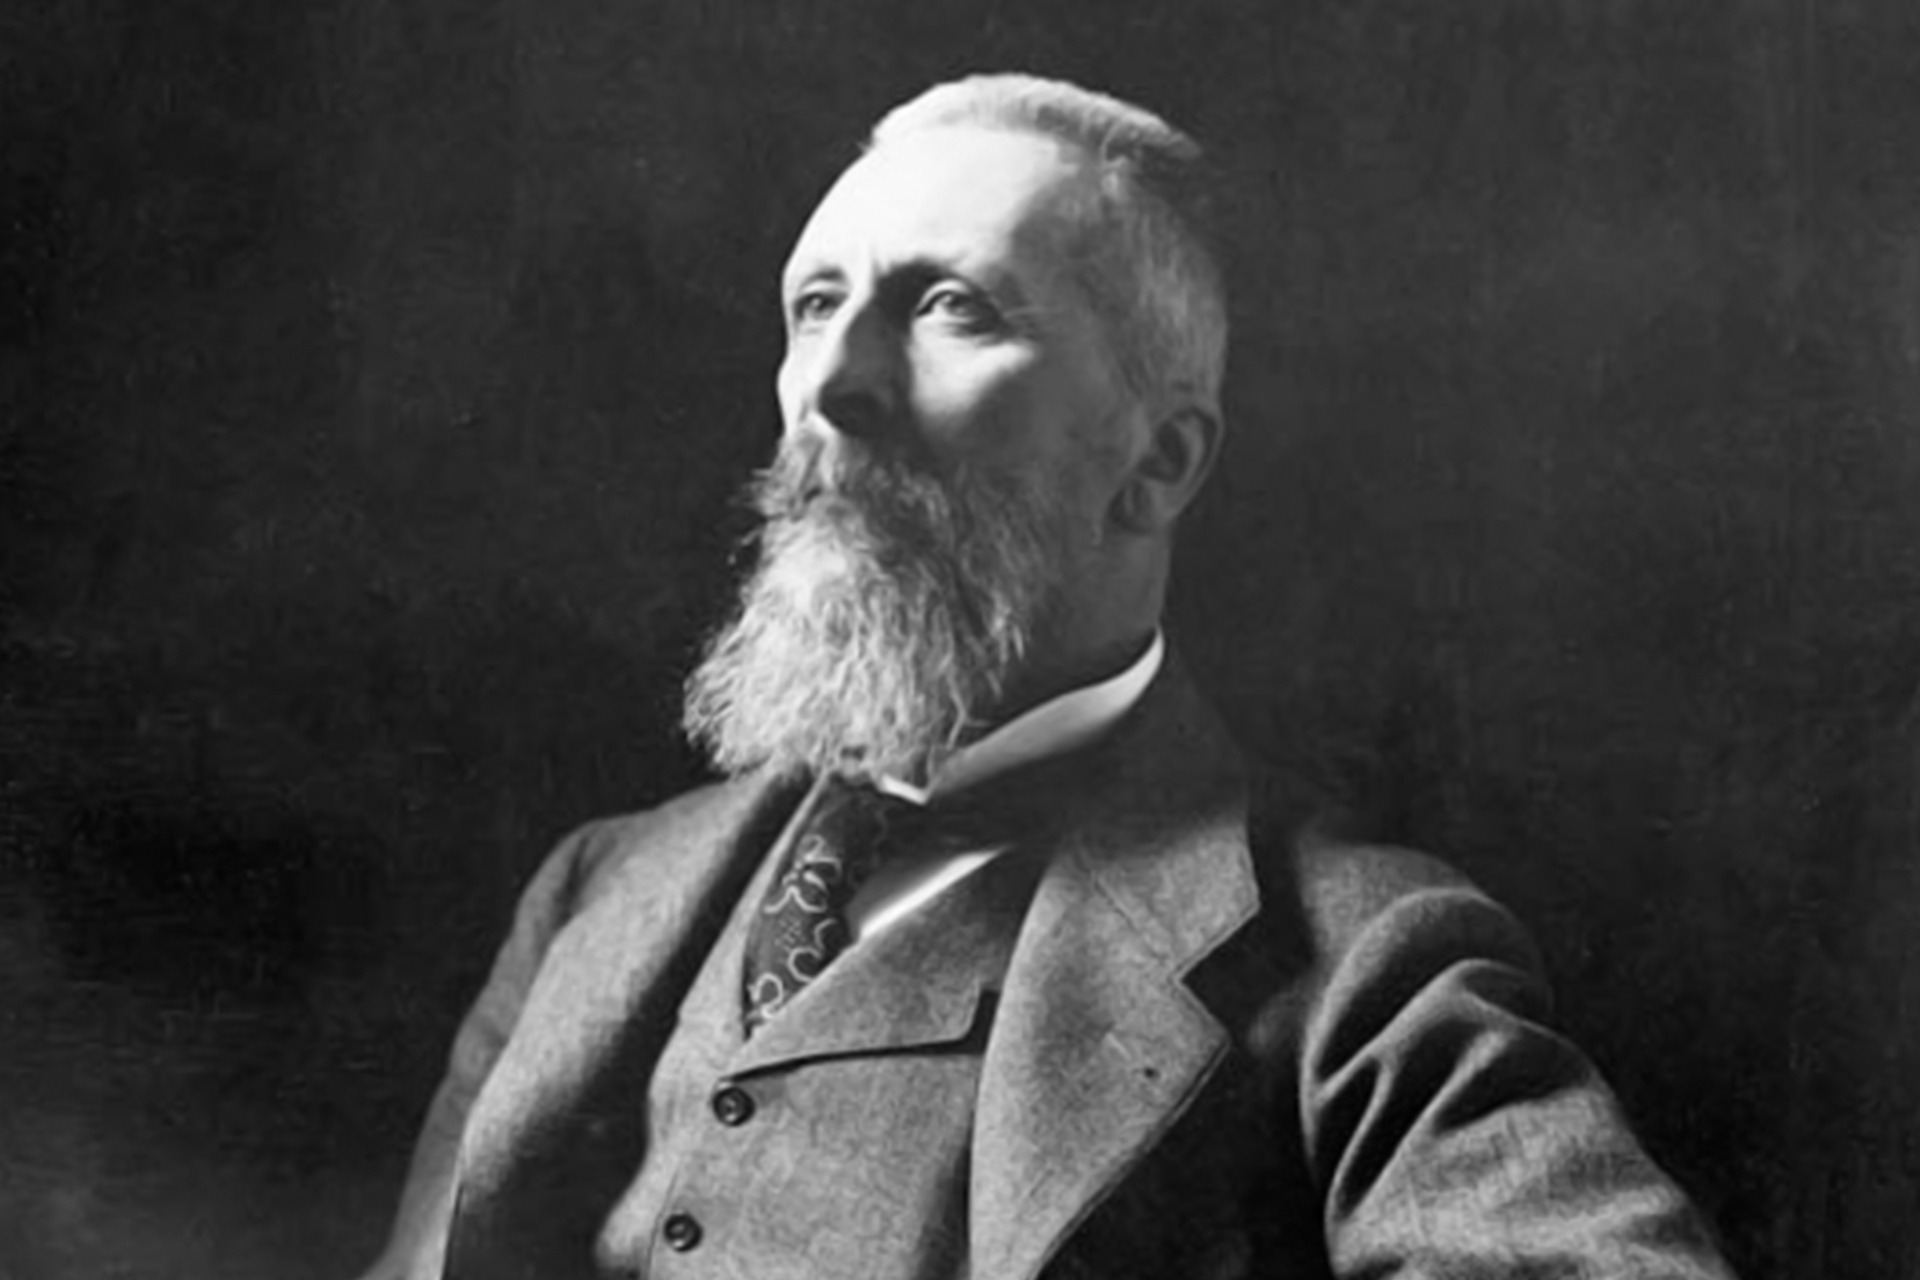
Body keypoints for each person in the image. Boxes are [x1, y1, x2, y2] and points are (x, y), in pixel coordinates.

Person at [356, 74, 1736, 1280]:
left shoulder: (1367, 964)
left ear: (1159, 462)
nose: (833, 384)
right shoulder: (596, 893)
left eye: (948, 307)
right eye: (815, 305)